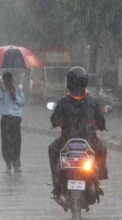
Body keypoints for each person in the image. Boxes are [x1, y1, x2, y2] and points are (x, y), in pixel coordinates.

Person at [48, 66, 108, 196]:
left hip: (66, 142)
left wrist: (59, 122)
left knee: (52, 149)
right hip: (90, 142)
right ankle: (99, 178)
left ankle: (56, 182)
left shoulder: (63, 102)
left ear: (69, 82)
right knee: (102, 147)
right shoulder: (92, 102)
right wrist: (99, 125)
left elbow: (54, 120)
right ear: (85, 82)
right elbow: (101, 122)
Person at [0, 72, 25, 173]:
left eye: (9, 79)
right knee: (6, 142)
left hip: (15, 119)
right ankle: (8, 164)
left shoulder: (18, 89)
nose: (7, 82)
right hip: (6, 118)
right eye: (5, 80)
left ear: (12, 80)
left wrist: (14, 96)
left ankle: (16, 163)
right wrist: (2, 93)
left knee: (16, 141)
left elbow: (22, 103)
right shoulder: (1, 91)